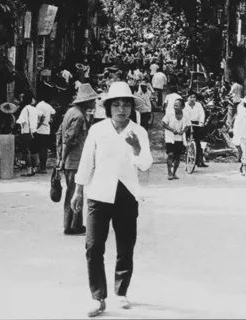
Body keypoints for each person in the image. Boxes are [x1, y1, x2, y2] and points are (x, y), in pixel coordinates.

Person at [72, 81, 153, 317]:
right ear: (109, 108)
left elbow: (146, 164)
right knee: (93, 246)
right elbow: (87, 161)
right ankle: (98, 297)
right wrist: (78, 191)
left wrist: (137, 149)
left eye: (126, 105)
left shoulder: (139, 132)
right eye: (116, 105)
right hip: (99, 194)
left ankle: (121, 292)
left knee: (125, 246)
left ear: (131, 107)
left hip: (127, 194)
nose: (121, 109)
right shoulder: (98, 130)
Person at [56, 83, 98, 235]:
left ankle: (75, 224)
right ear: (86, 101)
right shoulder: (79, 116)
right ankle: (71, 226)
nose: (94, 103)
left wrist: (60, 155)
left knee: (72, 192)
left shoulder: (71, 112)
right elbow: (68, 138)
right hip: (74, 161)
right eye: (92, 100)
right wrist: (62, 159)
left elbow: (59, 134)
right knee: (73, 193)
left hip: (71, 160)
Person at [16, 93, 43, 177]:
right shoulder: (34, 109)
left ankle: (29, 170)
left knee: (26, 151)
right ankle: (35, 168)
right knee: (34, 151)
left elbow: (20, 121)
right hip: (34, 131)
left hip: (26, 132)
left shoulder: (25, 109)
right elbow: (42, 116)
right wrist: (38, 125)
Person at [162, 97, 188, 180]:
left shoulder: (185, 115)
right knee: (170, 154)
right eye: (174, 105)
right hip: (170, 137)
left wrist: (183, 131)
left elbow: (187, 125)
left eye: (177, 105)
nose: (175, 107)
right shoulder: (170, 113)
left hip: (179, 138)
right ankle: (169, 172)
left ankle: (174, 173)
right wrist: (172, 130)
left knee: (177, 156)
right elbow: (163, 123)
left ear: (182, 107)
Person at [185, 91, 207, 168]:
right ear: (187, 98)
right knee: (183, 141)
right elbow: (182, 114)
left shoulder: (198, 105)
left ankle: (199, 161)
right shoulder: (184, 105)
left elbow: (202, 114)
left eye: (194, 97)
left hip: (196, 124)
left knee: (197, 142)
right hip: (186, 124)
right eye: (190, 97)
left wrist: (201, 122)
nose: (192, 99)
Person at [35, 94, 57, 174]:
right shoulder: (48, 106)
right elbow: (54, 112)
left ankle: (41, 167)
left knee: (40, 148)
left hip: (39, 129)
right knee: (44, 148)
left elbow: (38, 116)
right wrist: (50, 118)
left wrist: (37, 126)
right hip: (46, 129)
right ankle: (43, 167)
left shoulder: (39, 105)